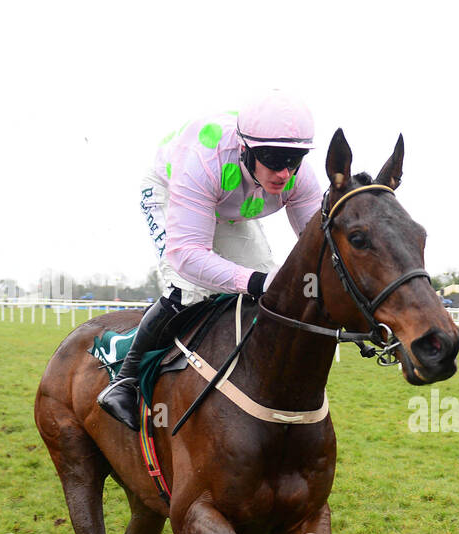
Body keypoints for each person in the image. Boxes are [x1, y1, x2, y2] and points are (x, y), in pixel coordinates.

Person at [98, 89, 323, 430]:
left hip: (227, 211)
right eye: (274, 160)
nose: (284, 173)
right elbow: (188, 255)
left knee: (268, 292)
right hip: (171, 191)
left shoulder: (297, 176)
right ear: (246, 150)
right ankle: (124, 381)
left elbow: (318, 244)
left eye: (294, 160)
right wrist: (256, 281)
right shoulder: (204, 161)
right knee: (188, 286)